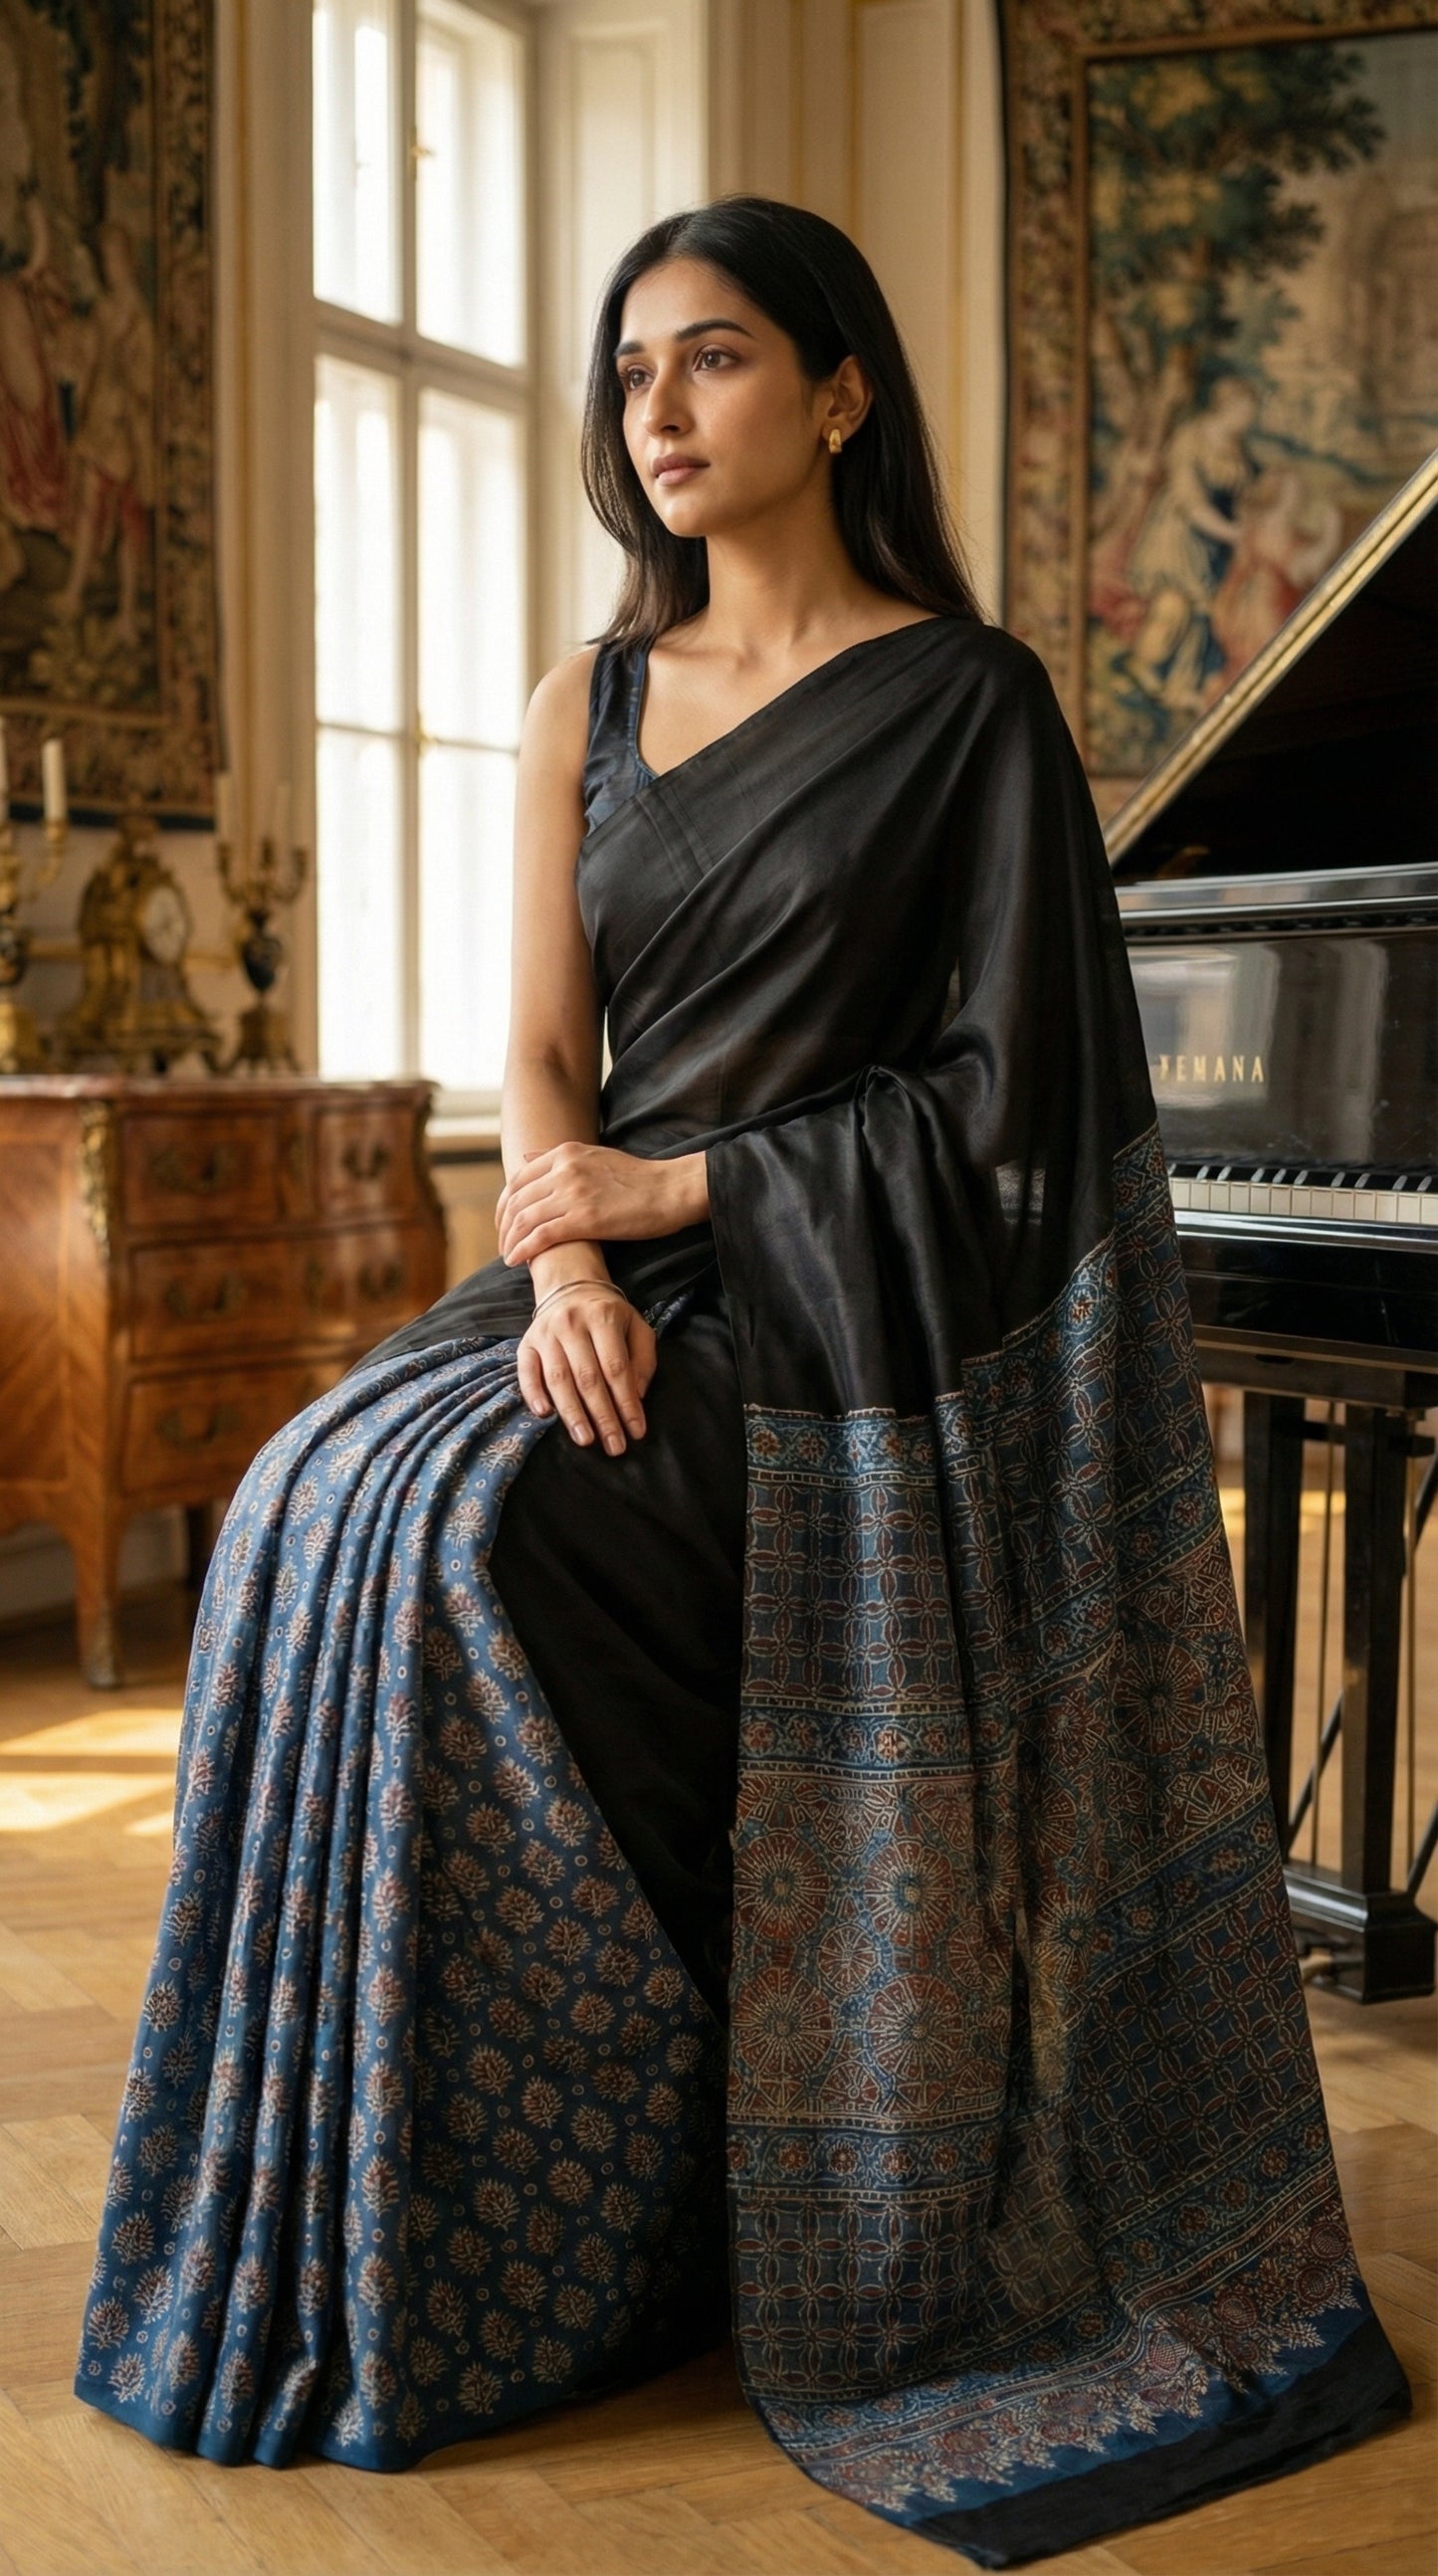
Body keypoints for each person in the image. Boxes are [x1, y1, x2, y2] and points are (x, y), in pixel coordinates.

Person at [76, 199, 1407, 2565]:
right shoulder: (582, 699)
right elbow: (530, 1046)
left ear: (839, 391)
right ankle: (429, 2228)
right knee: (309, 1491)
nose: (659, 417)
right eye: (630, 378)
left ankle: (632, 2197)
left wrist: (670, 1211)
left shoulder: (968, 703)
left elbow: (1001, 1131)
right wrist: (558, 1239)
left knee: (487, 1537)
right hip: (601, 1269)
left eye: (709, 363)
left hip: (839, 1326)